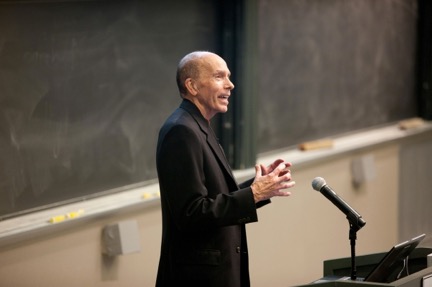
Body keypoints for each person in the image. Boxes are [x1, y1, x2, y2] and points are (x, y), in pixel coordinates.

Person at [155, 51, 296, 287]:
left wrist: (258, 186)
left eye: (228, 76)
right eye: (219, 76)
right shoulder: (181, 131)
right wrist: (254, 194)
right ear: (192, 85)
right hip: (198, 279)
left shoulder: (198, 126)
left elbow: (213, 197)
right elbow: (191, 213)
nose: (230, 84)